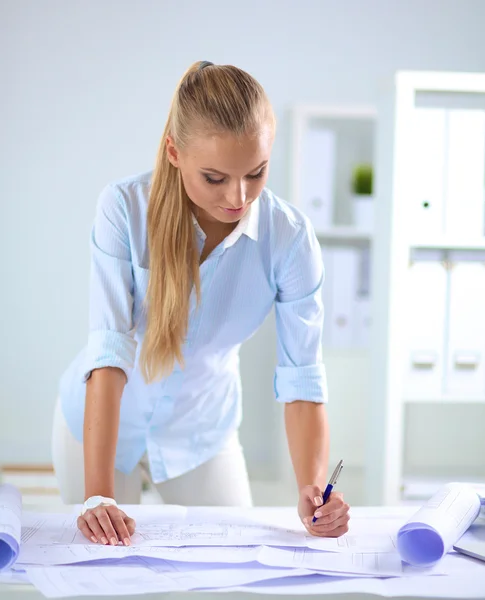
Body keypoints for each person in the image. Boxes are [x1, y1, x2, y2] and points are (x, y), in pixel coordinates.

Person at [52, 61, 350, 547]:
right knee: (103, 571)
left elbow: (302, 379)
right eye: (214, 177)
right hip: (104, 426)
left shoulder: (289, 239)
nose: (238, 197)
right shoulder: (124, 209)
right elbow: (108, 353)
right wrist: (98, 497)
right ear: (174, 152)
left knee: (238, 572)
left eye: (256, 173)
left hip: (202, 431)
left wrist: (312, 488)